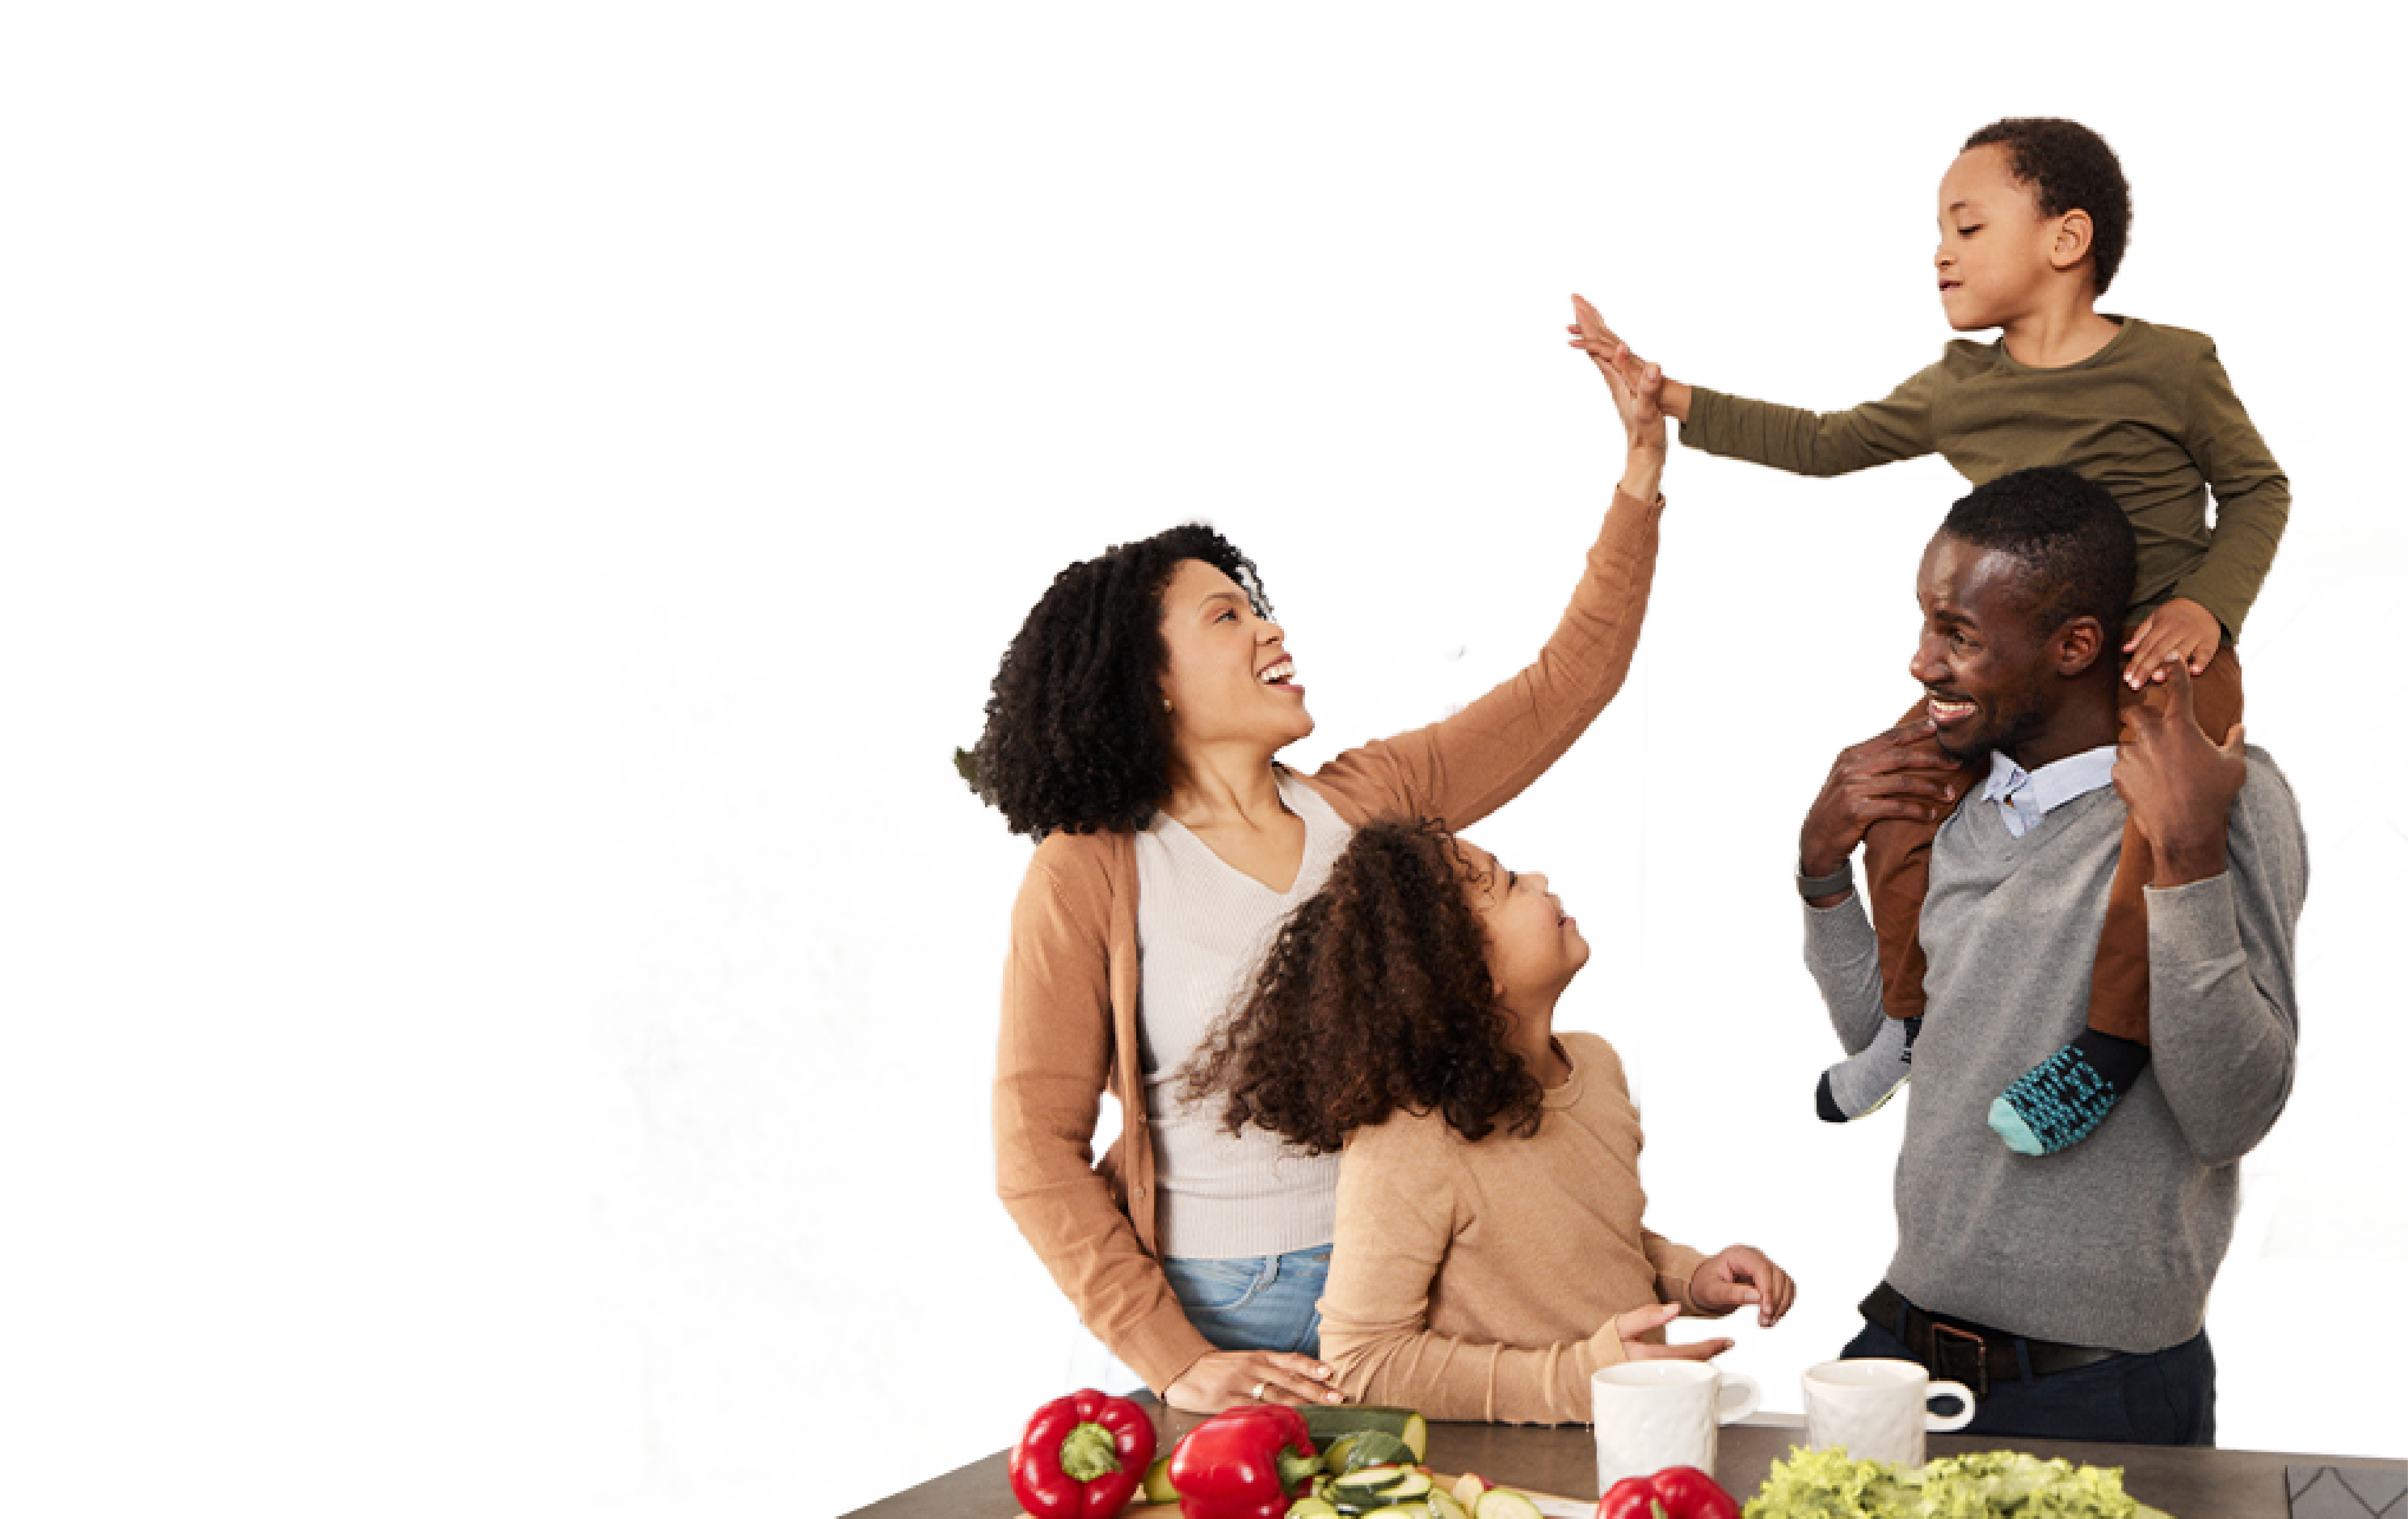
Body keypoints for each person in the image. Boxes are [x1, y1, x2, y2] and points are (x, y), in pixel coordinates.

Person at [1568, 115, 2292, 1155]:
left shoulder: (2172, 365)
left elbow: (2257, 490)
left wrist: (2206, 609)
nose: (1937, 251)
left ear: (2063, 239)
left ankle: (2111, 1040)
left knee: (2164, 824)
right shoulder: (1960, 386)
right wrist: (1664, 393)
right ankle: (1911, 1021)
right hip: (2016, 666)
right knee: (1896, 788)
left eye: (1965, 224)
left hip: (2154, 654)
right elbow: (1822, 442)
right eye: (1934, 231)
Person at [971, 354, 1670, 1415]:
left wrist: (1637, 475)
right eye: (1223, 618)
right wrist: (1174, 1356)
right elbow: (1032, 1148)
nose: (1269, 629)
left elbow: (1563, 686)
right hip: (1203, 1309)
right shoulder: (1089, 871)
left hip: (1388, 1294)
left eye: (1258, 607)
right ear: (1147, 681)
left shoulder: (1370, 803)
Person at [1791, 467, 2305, 1446]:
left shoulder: (2221, 795)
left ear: (2074, 646)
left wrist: (2188, 857)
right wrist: (1822, 874)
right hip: (1897, 1347)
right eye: (1923, 625)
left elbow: (2230, 1112)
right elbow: (1895, 1039)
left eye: (1959, 635)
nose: (1919, 664)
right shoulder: (1952, 799)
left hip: (2099, 1393)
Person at [1185, 818, 1794, 1424]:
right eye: (1505, 886)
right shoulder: (1411, 1138)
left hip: (1629, 1440)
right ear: (1465, 973)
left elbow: (1592, 1246)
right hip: (1515, 1473)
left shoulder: (1596, 1065)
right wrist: (1580, 1381)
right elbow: (1363, 1362)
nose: (1537, 879)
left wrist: (1694, 1278)